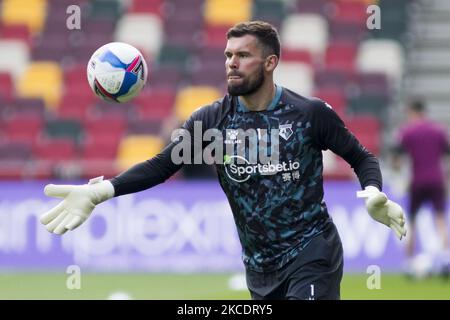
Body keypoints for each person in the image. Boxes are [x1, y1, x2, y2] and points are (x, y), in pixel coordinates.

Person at [40, 21, 406, 300]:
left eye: (243, 56)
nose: (232, 63)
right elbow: (161, 166)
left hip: (313, 253)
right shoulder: (210, 120)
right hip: (259, 268)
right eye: (229, 55)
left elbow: (361, 156)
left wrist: (374, 192)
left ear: (270, 62)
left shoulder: (308, 114)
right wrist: (100, 192)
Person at [394, 100, 449, 271]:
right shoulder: (439, 131)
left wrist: (399, 175)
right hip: (436, 180)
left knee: (412, 221)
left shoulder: (407, 132)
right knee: (440, 219)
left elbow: (397, 159)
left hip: (417, 181)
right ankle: (446, 258)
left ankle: (409, 262)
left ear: (413, 112)